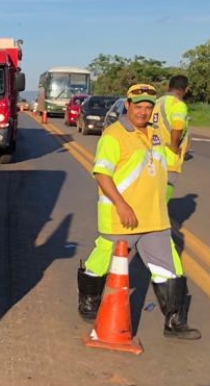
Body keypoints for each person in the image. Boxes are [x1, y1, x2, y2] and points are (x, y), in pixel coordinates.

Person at [76, 83, 200, 339]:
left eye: (148, 107)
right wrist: (122, 205)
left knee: (169, 269)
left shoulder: (154, 134)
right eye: (138, 106)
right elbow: (101, 174)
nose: (143, 112)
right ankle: (88, 300)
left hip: (154, 218)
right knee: (102, 261)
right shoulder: (114, 134)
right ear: (128, 106)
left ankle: (175, 322)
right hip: (122, 217)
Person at [152, 74, 192, 201]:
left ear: (169, 86)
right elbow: (177, 127)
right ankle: (158, 215)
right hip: (168, 154)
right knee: (167, 186)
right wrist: (174, 147)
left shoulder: (158, 102)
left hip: (153, 150)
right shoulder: (178, 104)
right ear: (185, 89)